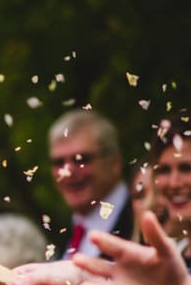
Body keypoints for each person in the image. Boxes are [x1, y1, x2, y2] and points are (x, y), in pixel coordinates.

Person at [49, 109, 132, 260]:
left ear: (114, 163)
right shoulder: (65, 234)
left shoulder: (141, 222)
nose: (67, 172)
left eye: (81, 160)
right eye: (58, 162)